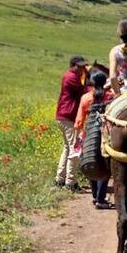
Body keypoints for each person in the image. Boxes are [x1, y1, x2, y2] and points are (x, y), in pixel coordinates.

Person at [75, 71, 114, 208]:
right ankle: (101, 199)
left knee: (90, 161)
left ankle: (94, 196)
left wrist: (77, 137)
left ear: (92, 82)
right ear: (104, 82)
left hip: (88, 134)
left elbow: (79, 121)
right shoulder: (110, 96)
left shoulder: (86, 97)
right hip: (106, 135)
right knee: (105, 165)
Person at [55, 56, 88, 191]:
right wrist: (87, 79)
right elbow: (84, 93)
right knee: (74, 149)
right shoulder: (71, 78)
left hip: (63, 117)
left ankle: (60, 179)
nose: (82, 69)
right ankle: (71, 182)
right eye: (80, 67)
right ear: (73, 66)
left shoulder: (69, 76)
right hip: (68, 117)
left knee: (67, 148)